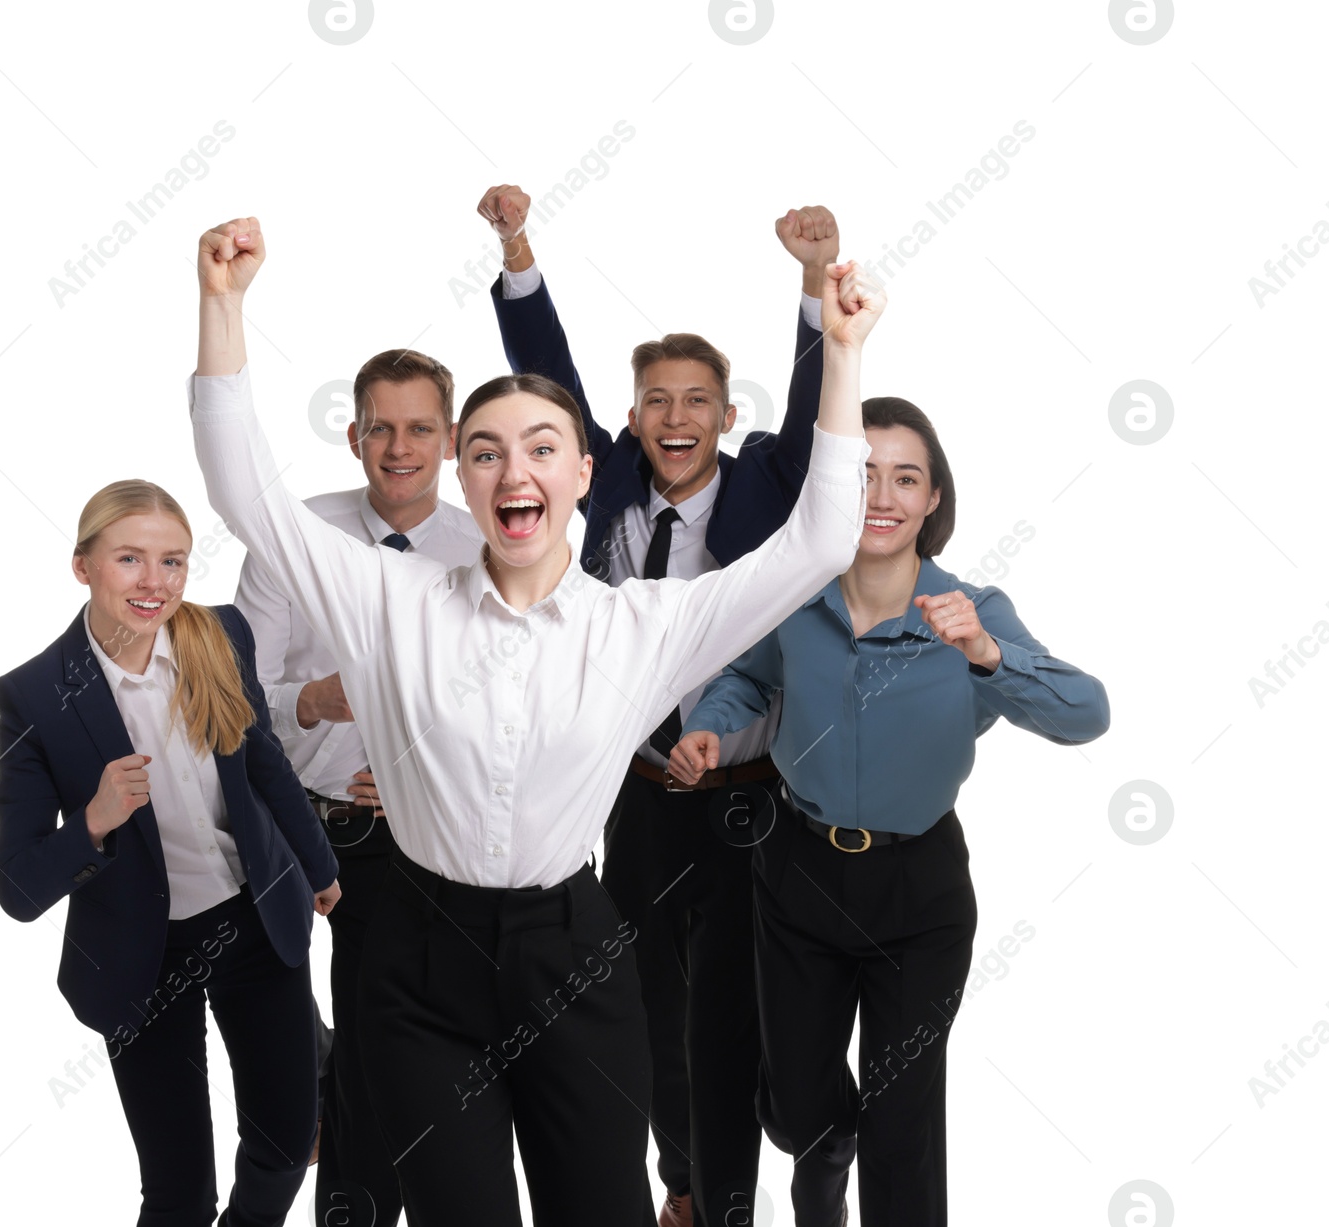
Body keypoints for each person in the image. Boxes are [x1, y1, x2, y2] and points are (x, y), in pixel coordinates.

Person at [187, 215, 879, 1227]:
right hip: (416, 964)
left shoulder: (646, 625)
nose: (515, 472)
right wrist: (224, 305)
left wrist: (846, 355)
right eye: (486, 452)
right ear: (464, 480)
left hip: (575, 955)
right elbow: (243, 491)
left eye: (542, 449)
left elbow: (819, 539)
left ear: (582, 476)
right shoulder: (385, 598)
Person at [475, 183, 839, 1227]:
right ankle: (686, 1183)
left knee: (737, 1013)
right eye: (656, 402)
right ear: (631, 418)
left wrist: (813, 285)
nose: (675, 420)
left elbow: (824, 417)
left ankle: (751, 1158)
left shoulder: (770, 479)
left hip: (752, 795)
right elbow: (542, 374)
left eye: (696, 403)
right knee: (639, 999)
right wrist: (515, 247)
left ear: (727, 417)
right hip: (633, 789)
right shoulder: (600, 484)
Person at [668, 398, 1111, 1227]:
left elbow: (1086, 713)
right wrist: (709, 729)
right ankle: (825, 1150)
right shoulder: (797, 597)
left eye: (905, 476)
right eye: (864, 473)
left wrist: (987, 653)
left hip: (919, 892)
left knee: (904, 1126)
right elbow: (749, 680)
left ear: (933, 498)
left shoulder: (973, 610)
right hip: (797, 876)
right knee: (798, 1111)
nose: (883, 494)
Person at [0, 479, 342, 1227]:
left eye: (173, 562)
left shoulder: (219, 634)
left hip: (252, 920)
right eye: (130, 559)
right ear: (83, 566)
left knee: (286, 1138)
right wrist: (92, 818)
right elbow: (17, 886)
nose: (155, 583)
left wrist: (319, 866)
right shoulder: (34, 694)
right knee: (180, 1192)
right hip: (139, 958)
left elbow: (265, 762)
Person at [234, 345, 482, 1226]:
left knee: (397, 1041)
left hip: (424, 833)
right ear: (354, 436)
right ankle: (328, 1116)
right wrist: (316, 699)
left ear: (450, 440)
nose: (400, 446)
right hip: (304, 818)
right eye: (382, 427)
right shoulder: (298, 537)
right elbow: (233, 697)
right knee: (292, 1008)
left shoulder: (481, 543)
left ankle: (359, 1192)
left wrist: (429, 765)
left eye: (421, 428)